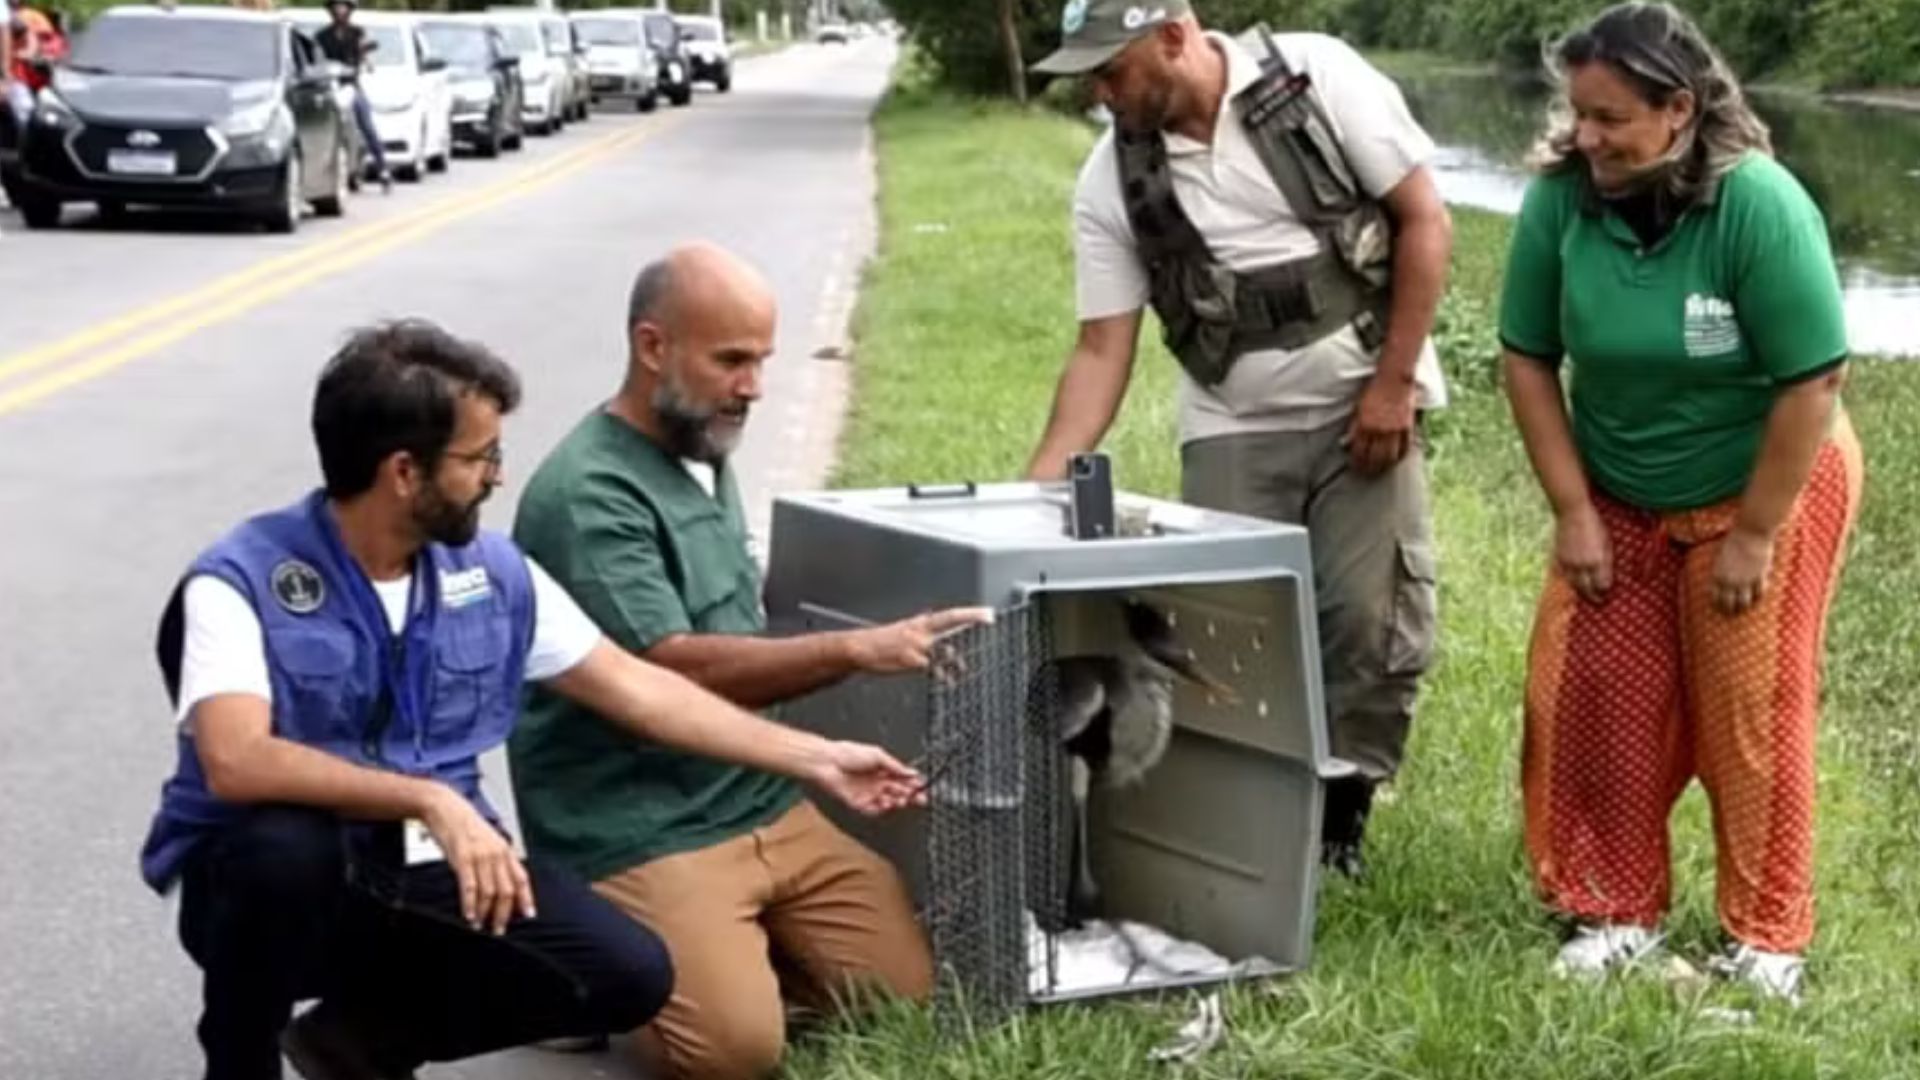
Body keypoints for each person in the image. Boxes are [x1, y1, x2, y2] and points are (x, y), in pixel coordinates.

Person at [141, 320, 928, 1080]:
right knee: (280, 850)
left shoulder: (490, 573)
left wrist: (819, 757)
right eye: (479, 457)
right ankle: (238, 1058)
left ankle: (357, 1042)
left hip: (426, 870)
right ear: (403, 472)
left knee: (626, 973)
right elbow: (236, 760)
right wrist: (430, 800)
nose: (497, 476)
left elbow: (643, 692)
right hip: (277, 888)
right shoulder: (242, 579)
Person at [510, 244, 990, 1080]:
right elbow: (673, 671)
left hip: (759, 799)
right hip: (641, 824)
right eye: (731, 360)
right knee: (736, 1053)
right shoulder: (587, 492)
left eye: (762, 360)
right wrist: (853, 649)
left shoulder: (703, 443)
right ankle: (571, 970)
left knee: (905, 1002)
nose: (754, 386)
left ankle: (725, 954)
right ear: (652, 347)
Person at [1023, 0, 1452, 875]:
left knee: (1370, 623)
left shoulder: (1317, 79)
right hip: (1232, 419)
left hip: (1363, 404)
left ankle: (1341, 821)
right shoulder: (1111, 181)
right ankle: (1253, 816)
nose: (1099, 94)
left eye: (1112, 70)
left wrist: (1394, 385)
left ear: (1175, 36)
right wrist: (1027, 495)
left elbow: (1426, 221)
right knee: (1220, 636)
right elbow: (1103, 348)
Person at [1498, 3, 1862, 1004]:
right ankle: (1616, 912)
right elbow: (1527, 357)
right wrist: (1573, 510)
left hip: (1766, 483)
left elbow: (1813, 382)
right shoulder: (1561, 201)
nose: (1587, 137)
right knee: (1591, 691)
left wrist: (1753, 534)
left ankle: (1767, 942)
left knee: (1749, 705)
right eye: (1579, 113)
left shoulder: (1761, 205)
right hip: (1616, 483)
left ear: (1679, 110)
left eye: (1611, 117)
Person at [314, 0, 389, 192]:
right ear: (331, 10)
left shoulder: (357, 32)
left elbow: (365, 50)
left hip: (350, 85)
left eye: (343, 6)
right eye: (336, 7)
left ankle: (383, 168)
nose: (340, 10)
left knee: (366, 124)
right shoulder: (322, 36)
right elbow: (317, 58)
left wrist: (365, 56)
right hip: (330, 86)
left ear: (349, 10)